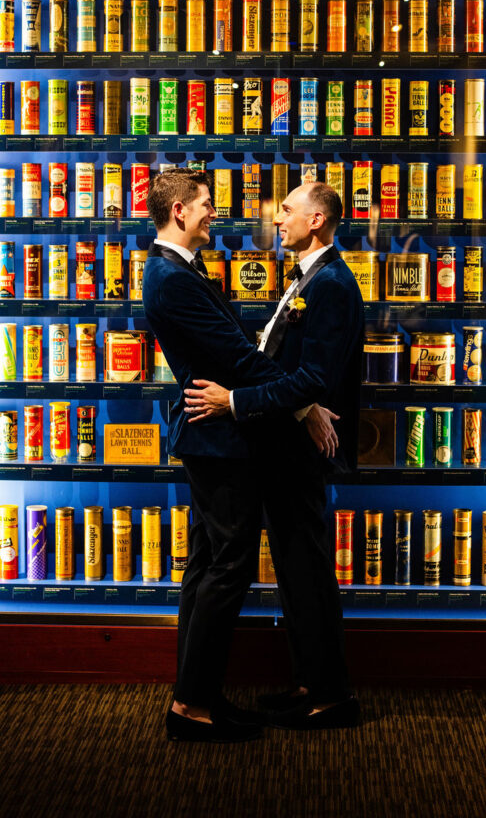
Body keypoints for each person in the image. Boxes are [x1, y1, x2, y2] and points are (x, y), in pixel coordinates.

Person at [141, 168, 340, 743]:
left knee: (206, 565)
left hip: (215, 435)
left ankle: (195, 695)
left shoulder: (178, 268)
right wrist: (304, 406)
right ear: (179, 211)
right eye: (205, 204)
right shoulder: (172, 276)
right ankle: (193, 706)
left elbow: (235, 349)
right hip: (218, 440)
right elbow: (236, 353)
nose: (213, 214)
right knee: (226, 568)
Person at [185, 181, 364, 730]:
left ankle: (332, 696)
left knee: (307, 567)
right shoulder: (311, 276)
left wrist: (235, 401)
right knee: (296, 567)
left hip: (301, 451)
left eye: (287, 210)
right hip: (288, 444)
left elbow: (312, 377)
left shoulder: (330, 283)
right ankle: (313, 683)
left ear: (316, 220)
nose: (277, 217)